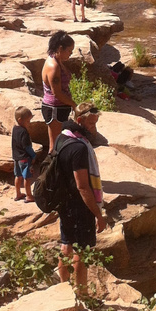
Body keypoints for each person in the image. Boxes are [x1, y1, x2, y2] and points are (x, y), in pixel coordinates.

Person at [53, 108, 109, 297]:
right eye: (91, 124)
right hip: (78, 206)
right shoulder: (78, 148)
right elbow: (83, 186)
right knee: (81, 251)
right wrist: (98, 215)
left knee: (66, 245)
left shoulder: (62, 136)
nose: (94, 129)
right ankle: (82, 294)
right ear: (79, 120)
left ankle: (63, 289)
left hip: (63, 201)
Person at [42, 31, 77, 150]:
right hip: (54, 110)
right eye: (69, 51)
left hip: (60, 108)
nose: (71, 54)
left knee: (60, 142)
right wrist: (73, 104)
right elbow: (57, 93)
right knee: (54, 145)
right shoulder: (53, 66)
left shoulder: (58, 60)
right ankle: (51, 168)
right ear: (61, 48)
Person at [12, 105, 37, 202]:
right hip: (25, 158)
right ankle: (29, 195)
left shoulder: (14, 129)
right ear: (20, 120)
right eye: (28, 121)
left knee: (18, 176)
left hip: (17, 157)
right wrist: (34, 155)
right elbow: (27, 147)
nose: (29, 123)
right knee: (27, 177)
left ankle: (18, 194)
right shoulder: (24, 132)